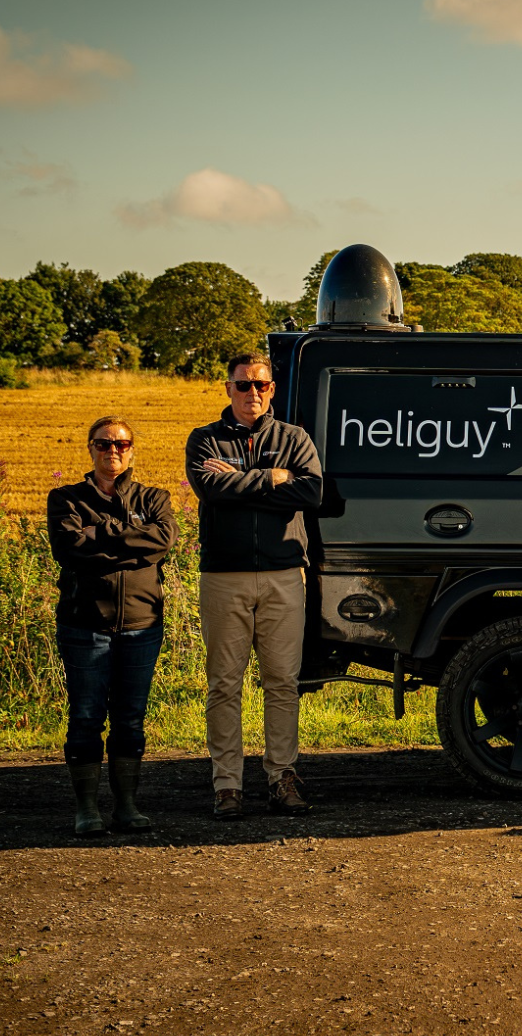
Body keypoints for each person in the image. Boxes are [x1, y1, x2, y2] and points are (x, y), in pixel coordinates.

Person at [185, 353, 325, 820]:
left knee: (282, 682)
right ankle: (227, 785)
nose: (253, 394)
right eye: (243, 385)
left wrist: (243, 483)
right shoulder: (204, 440)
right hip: (224, 576)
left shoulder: (295, 438)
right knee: (224, 684)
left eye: (261, 385)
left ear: (272, 389)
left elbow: (311, 493)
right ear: (227, 388)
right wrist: (273, 479)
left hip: (285, 575)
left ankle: (282, 776)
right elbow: (209, 490)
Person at [46, 417, 177, 836]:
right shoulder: (65, 498)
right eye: (104, 444)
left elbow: (162, 541)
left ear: (133, 449)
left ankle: (126, 805)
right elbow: (70, 550)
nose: (113, 451)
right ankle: (87, 809)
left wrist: (101, 535)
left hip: (142, 624)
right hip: (85, 625)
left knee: (130, 718)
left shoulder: (155, 498)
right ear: (90, 448)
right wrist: (130, 540)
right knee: (85, 717)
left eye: (121, 444)